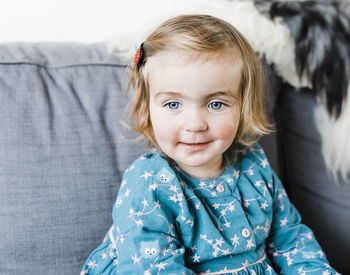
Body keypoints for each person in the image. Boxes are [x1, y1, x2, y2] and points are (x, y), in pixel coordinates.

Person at [81, 14, 339, 274]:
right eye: (173, 104)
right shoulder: (148, 184)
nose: (195, 124)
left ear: (243, 107)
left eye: (216, 104)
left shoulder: (254, 165)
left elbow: (290, 239)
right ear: (148, 110)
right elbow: (155, 268)